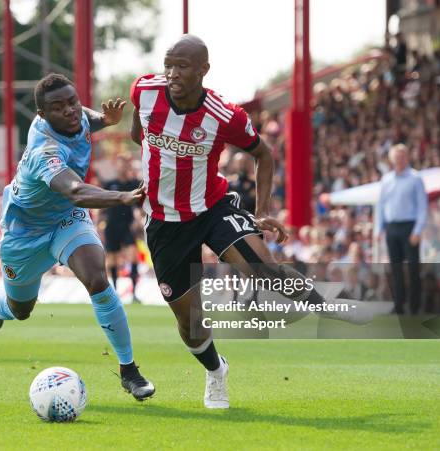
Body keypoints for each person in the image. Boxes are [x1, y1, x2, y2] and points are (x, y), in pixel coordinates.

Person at [130, 35, 368, 409]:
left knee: (265, 270)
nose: (172, 73)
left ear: (203, 70)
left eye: (182, 66)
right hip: (164, 221)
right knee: (190, 324)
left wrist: (262, 210)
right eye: (169, 64)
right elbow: (137, 129)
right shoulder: (144, 91)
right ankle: (215, 372)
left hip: (212, 208)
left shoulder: (225, 115)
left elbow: (264, 154)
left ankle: (331, 306)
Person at [0, 73, 154, 401]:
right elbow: (74, 190)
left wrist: (107, 120)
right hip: (25, 233)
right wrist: (123, 197)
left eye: (73, 101)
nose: (71, 110)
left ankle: (129, 370)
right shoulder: (43, 150)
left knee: (97, 279)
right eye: (59, 107)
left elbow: (87, 118)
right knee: (20, 310)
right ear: (43, 115)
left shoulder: (76, 112)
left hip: (65, 221)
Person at [376, 143, 427, 314]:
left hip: (409, 227)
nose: (399, 159)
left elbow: (422, 207)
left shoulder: (415, 178)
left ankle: (414, 306)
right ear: (391, 159)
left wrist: (418, 230)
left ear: (407, 157)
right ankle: (399, 304)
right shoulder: (386, 179)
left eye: (402, 156)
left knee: (413, 269)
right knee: (396, 269)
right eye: (396, 156)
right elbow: (381, 205)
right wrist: (379, 228)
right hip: (392, 227)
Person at [102, 153, 141, 299]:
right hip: (111, 225)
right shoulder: (109, 184)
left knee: (133, 256)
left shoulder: (134, 184)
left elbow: (140, 207)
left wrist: (139, 219)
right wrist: (99, 223)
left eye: (125, 163)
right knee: (112, 258)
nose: (122, 166)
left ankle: (134, 293)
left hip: (127, 225)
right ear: (115, 165)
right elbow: (102, 205)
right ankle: (115, 291)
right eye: (120, 163)